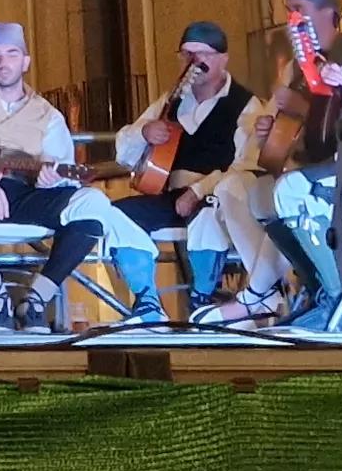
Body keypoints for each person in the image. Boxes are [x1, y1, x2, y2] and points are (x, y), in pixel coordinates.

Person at [0, 23, 162, 329]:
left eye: (11, 54)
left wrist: (52, 178)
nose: (3, 61)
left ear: (25, 62)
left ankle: (36, 301)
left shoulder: (48, 115)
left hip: (28, 195)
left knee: (93, 203)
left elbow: (61, 167)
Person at [111, 20, 286, 323]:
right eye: (187, 54)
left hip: (215, 197)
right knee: (114, 215)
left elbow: (246, 167)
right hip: (170, 195)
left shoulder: (246, 106)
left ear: (222, 59)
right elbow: (124, 153)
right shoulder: (171, 101)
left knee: (208, 216)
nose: (194, 63)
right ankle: (148, 305)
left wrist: (199, 190)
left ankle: (202, 300)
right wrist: (144, 133)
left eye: (202, 55)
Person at [255, 0, 342, 332]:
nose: (292, 20)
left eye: (298, 9)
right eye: (289, 11)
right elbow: (297, 132)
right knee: (258, 197)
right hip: (309, 163)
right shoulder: (300, 66)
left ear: (328, 12)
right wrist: (272, 132)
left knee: (288, 191)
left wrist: (301, 108)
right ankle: (318, 289)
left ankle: (340, 294)